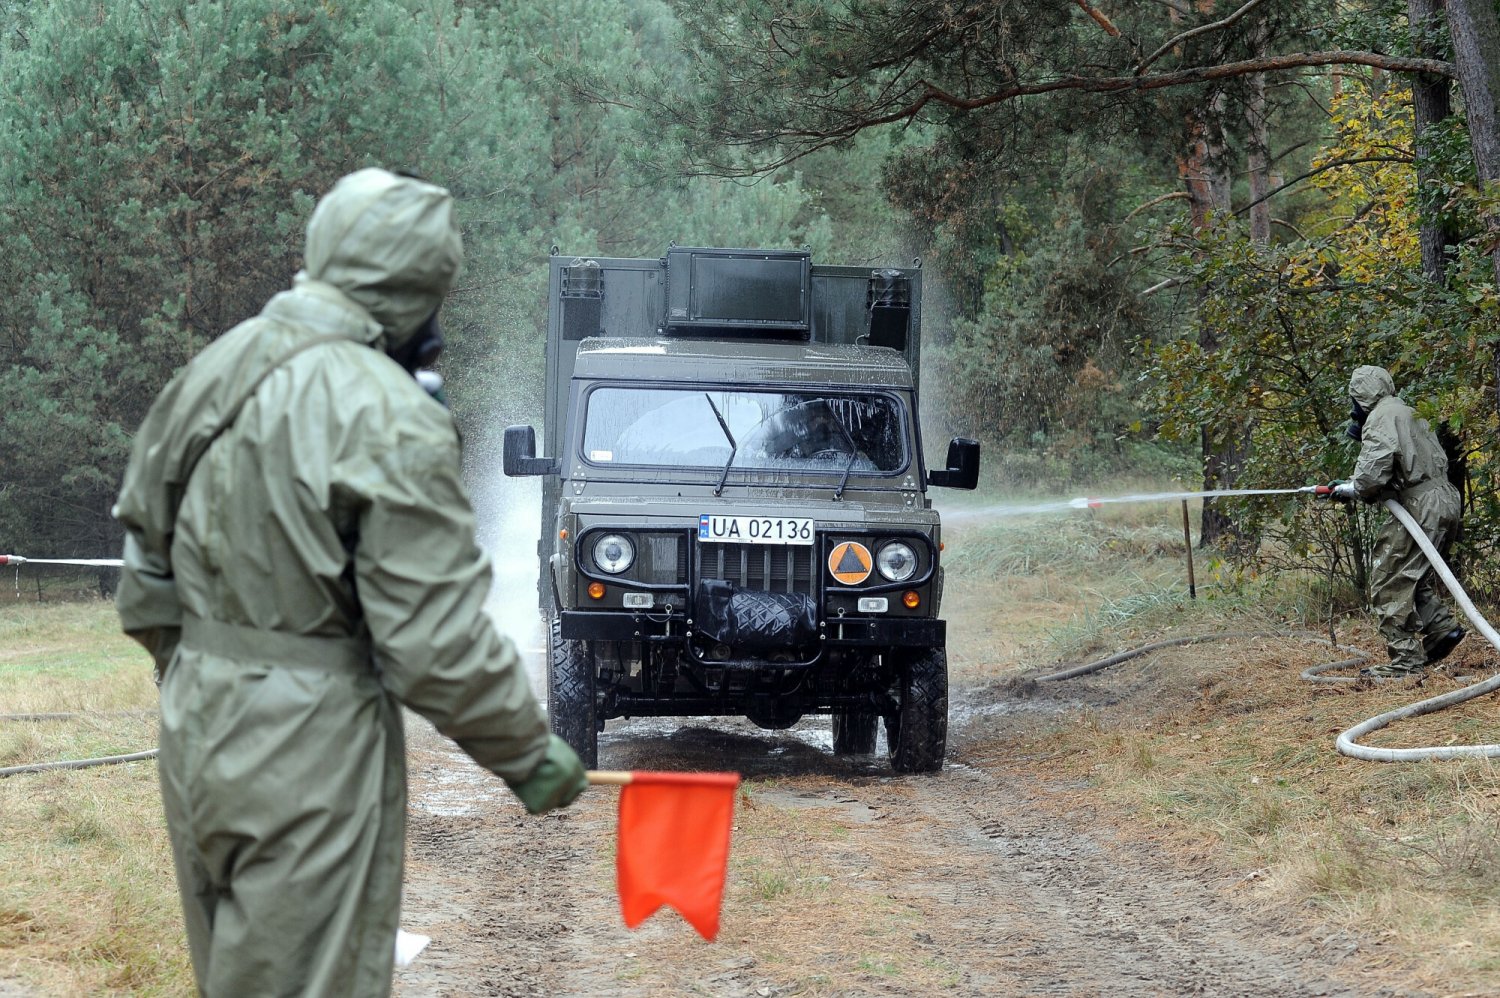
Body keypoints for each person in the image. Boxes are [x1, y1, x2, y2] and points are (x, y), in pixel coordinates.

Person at [113, 168, 587, 996]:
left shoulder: (212, 371)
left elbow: (146, 564)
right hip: (311, 744)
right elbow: (433, 643)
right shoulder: (388, 413)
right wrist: (528, 754)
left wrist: (202, 676)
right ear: (412, 290)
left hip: (195, 724)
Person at [1328, 365, 1465, 677]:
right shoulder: (1407, 411)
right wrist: (1354, 486)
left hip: (1420, 505)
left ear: (1359, 397)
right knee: (1413, 576)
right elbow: (1406, 464)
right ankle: (1442, 630)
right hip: (1443, 498)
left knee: (1389, 580)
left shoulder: (1380, 417)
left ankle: (1405, 662)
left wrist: (1354, 488)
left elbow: (1372, 475)